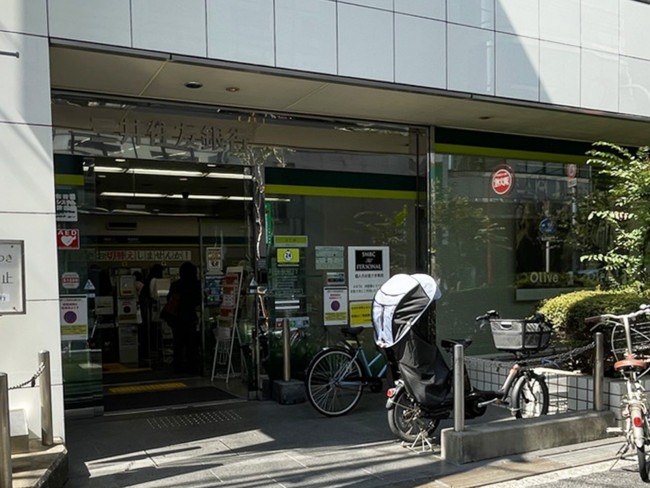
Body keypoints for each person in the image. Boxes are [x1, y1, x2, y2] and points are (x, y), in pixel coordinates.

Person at [166, 262, 201, 374]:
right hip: (190, 317)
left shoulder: (176, 284)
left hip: (177, 318)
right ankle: (192, 366)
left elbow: (169, 299)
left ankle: (178, 366)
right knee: (192, 344)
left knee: (178, 344)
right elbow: (198, 300)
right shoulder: (196, 284)